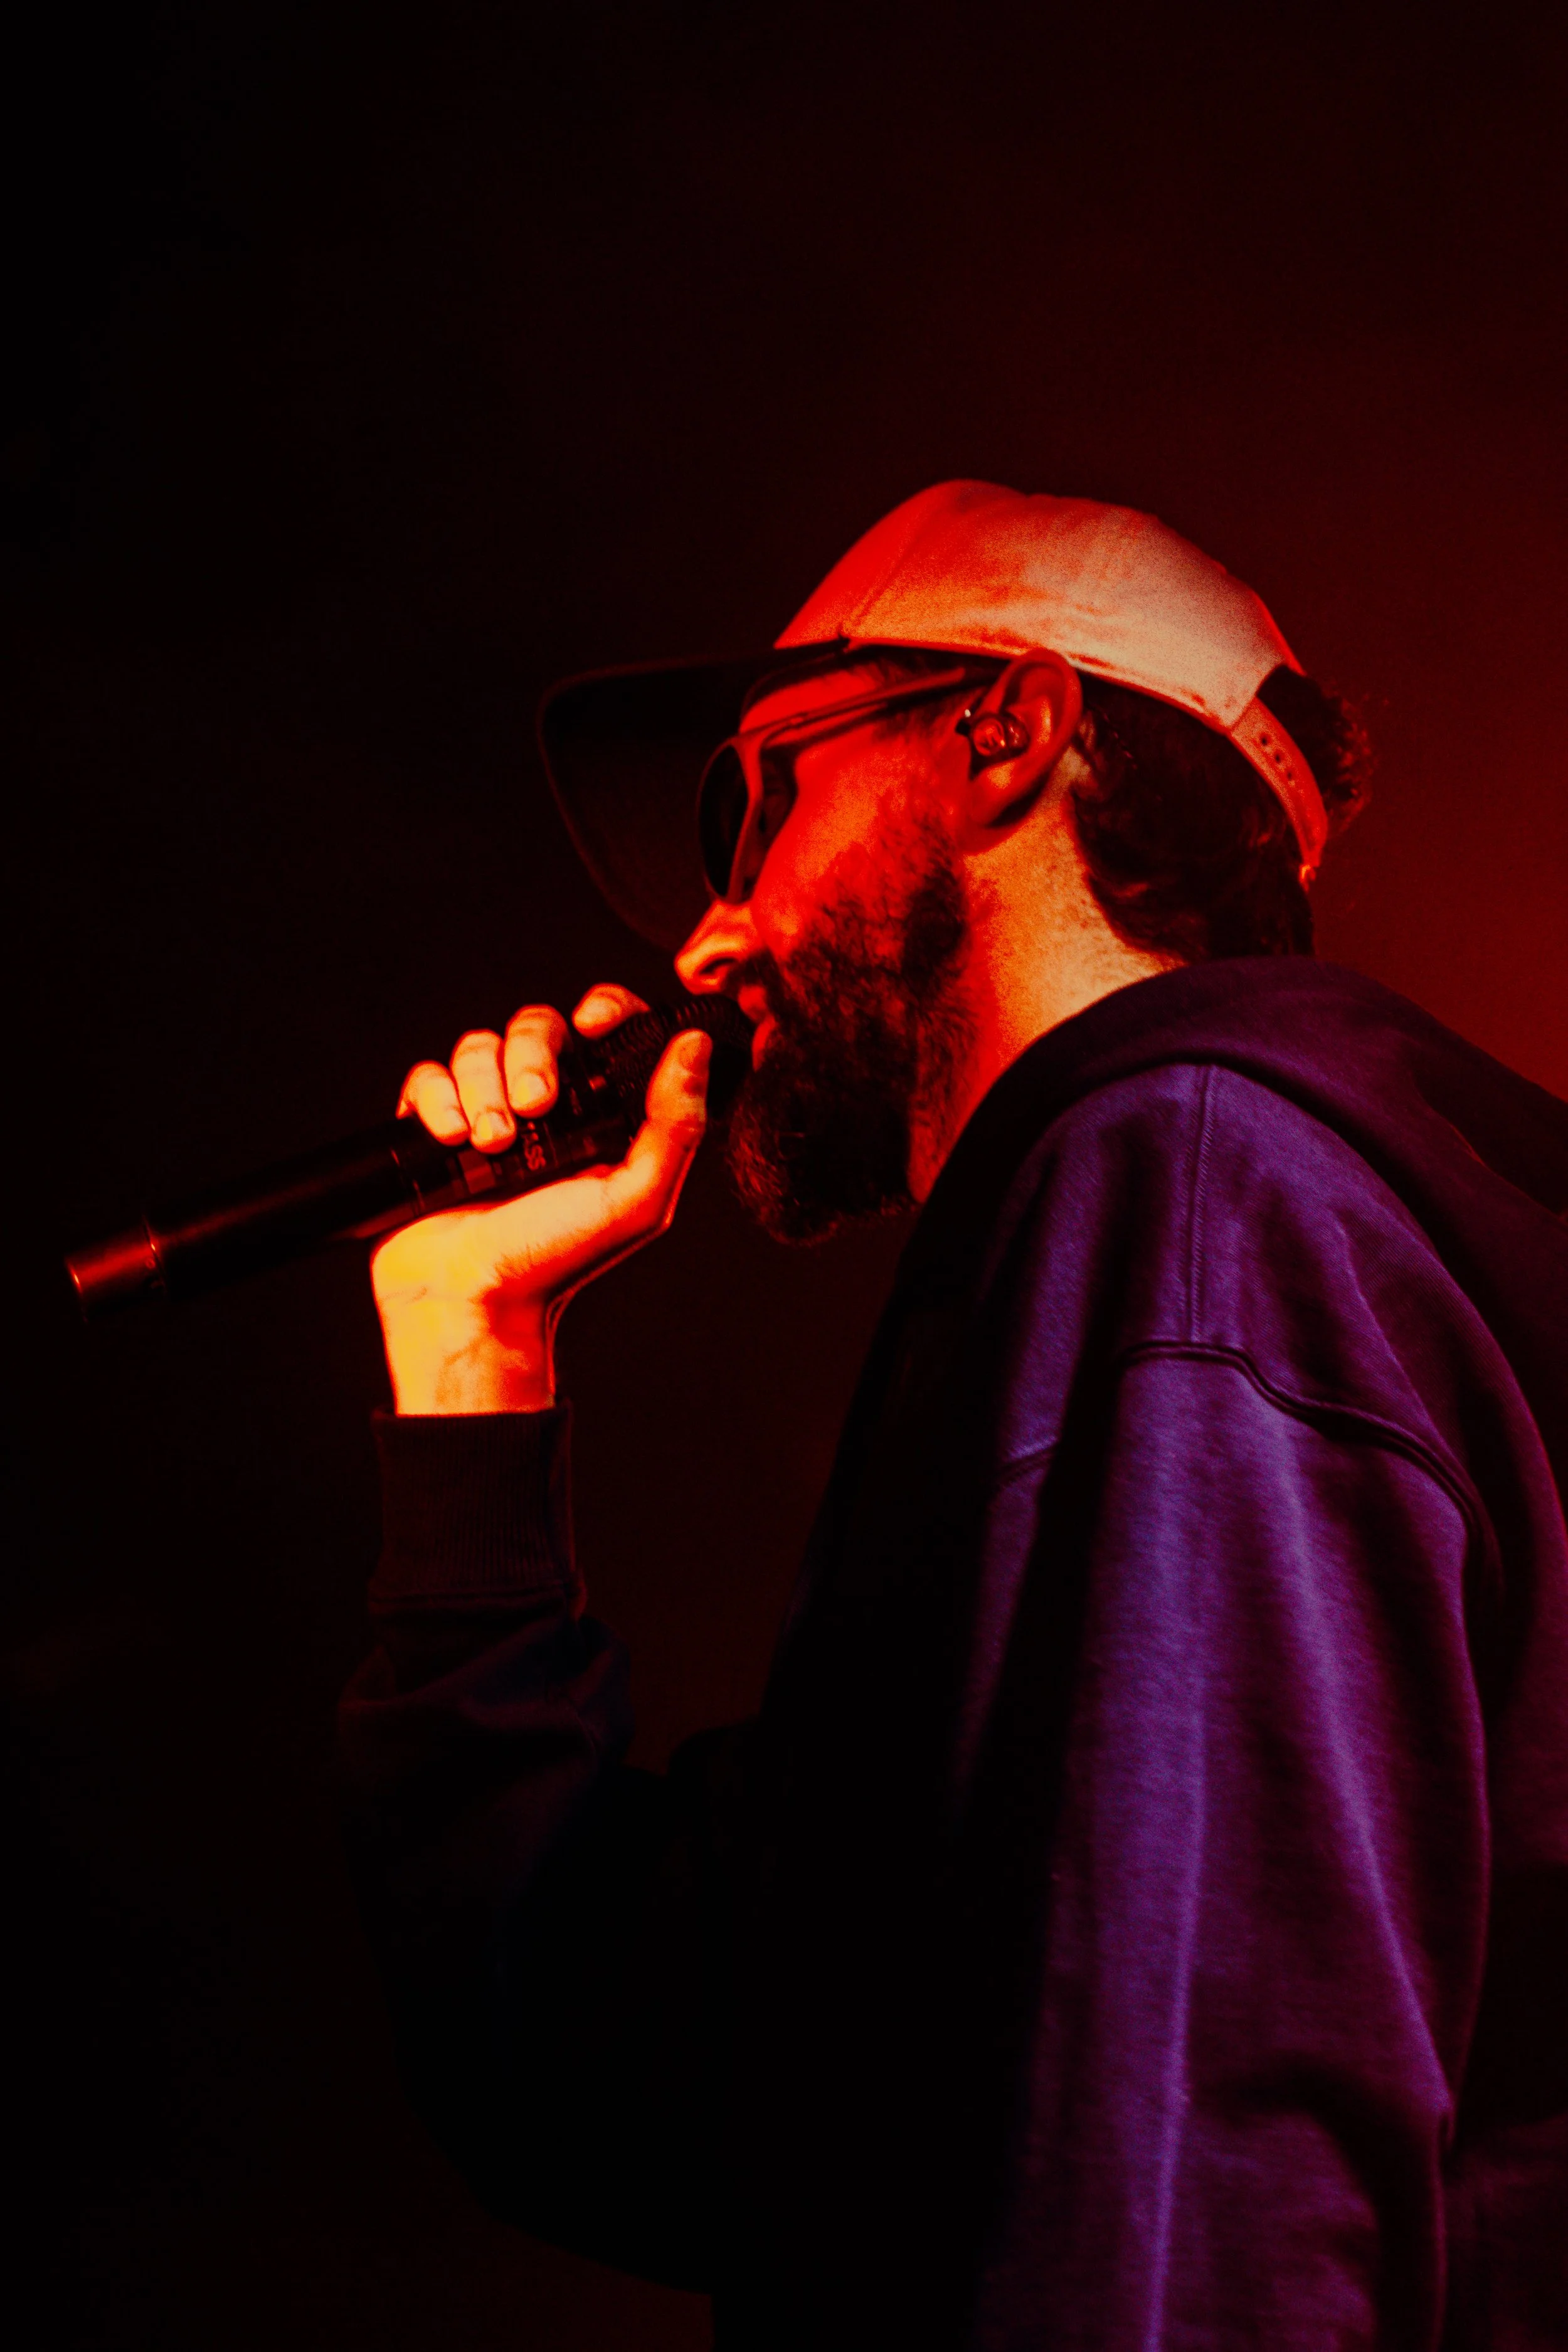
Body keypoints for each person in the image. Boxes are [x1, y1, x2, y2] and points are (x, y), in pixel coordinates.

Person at [339, 483, 1568, 2348]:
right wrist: (469, 1347)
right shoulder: (1132, 1238)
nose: (710, 929)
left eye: (763, 795)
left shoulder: (1191, 1184)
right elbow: (675, 2086)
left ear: (1004, 728)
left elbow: (1195, 2155)